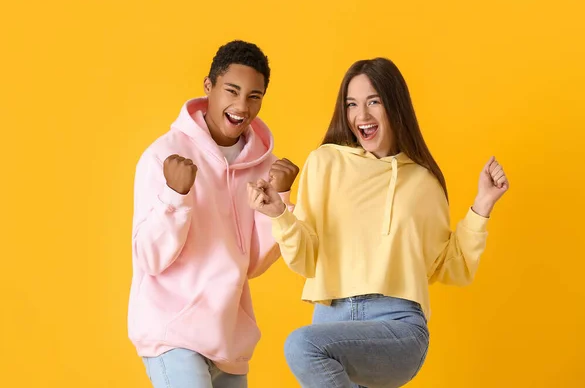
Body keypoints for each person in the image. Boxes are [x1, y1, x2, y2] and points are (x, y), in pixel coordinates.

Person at [248, 57, 509, 388]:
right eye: (352, 104)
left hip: (397, 325)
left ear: (394, 106)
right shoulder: (325, 163)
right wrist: (279, 215)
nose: (362, 115)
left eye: (374, 101)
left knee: (303, 345)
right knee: (309, 346)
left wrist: (482, 204)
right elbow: (305, 258)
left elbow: (448, 266)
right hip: (332, 318)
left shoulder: (423, 181)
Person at [128, 40, 299, 388]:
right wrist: (175, 196)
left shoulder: (262, 165)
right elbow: (149, 257)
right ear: (209, 87)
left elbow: (252, 262)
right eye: (232, 91)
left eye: (255, 96)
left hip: (229, 342)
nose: (241, 106)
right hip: (172, 332)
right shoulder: (164, 155)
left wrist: (279, 199)